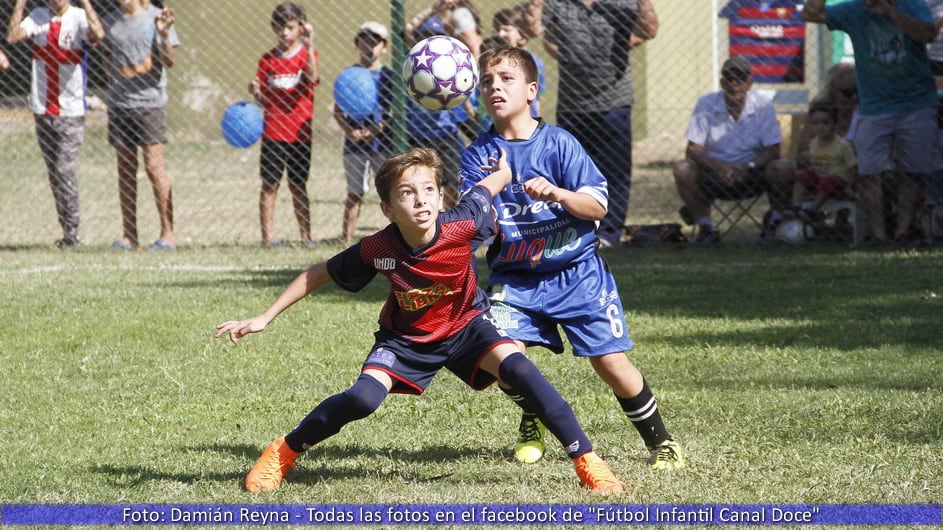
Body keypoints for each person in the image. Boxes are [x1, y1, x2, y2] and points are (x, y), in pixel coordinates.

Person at [214, 148, 624, 495]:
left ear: (441, 197)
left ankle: (585, 458)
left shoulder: (462, 223)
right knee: (363, 399)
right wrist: (264, 317)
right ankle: (285, 450)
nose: (422, 200)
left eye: (429, 190)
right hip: (404, 341)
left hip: (467, 327)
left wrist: (503, 171)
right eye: (407, 193)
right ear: (388, 208)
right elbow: (316, 273)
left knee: (519, 368)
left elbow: (488, 188)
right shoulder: (379, 247)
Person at [459, 46, 684, 470]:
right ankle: (534, 414)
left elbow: (598, 208)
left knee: (611, 363)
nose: (495, 87)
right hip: (516, 277)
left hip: (578, 274)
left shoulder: (559, 144)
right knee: (501, 360)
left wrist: (558, 194)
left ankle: (662, 443)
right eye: (487, 81)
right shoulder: (477, 155)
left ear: (531, 90)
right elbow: (474, 220)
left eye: (506, 79)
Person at [802, 0, 943, 243]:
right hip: (875, 106)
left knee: (913, 171)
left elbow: (928, 34)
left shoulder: (913, 5)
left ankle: (903, 231)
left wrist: (890, 12)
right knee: (868, 171)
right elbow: (810, 14)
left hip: (916, 102)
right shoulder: (853, 9)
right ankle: (878, 234)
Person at [537, 0, 658, 247]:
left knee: (614, 172)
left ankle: (609, 233)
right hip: (573, 103)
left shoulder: (621, 4)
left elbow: (648, 30)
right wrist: (570, 57)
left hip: (614, 102)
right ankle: (573, 231)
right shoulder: (559, 4)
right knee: (568, 172)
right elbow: (544, 34)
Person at [5, 0, 104, 249]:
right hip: (42, 107)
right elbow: (13, 37)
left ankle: (73, 229)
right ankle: (67, 230)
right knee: (54, 173)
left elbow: (98, 34)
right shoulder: (39, 17)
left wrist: (87, 4)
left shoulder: (79, 16)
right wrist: (20, 5)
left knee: (64, 169)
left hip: (70, 110)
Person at [671, 57, 795, 245]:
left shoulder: (763, 105)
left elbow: (773, 150)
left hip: (753, 174)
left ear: (749, 83)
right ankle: (706, 228)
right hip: (713, 175)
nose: (734, 84)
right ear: (722, 83)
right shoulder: (706, 104)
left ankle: (775, 223)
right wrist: (719, 167)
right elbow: (693, 150)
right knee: (682, 168)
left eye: (740, 79)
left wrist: (747, 167)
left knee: (782, 166)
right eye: (729, 79)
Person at [103, 0, 179, 251]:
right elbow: (106, 59)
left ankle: (167, 235)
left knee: (154, 166)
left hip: (150, 104)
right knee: (125, 169)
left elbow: (169, 61)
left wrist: (164, 35)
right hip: (119, 105)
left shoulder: (158, 17)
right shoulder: (110, 21)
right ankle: (129, 236)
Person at [250, 2, 320, 248]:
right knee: (270, 184)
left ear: (301, 27)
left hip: (300, 133)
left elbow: (312, 77)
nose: (285, 33)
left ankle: (306, 236)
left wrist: (310, 45)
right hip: (273, 131)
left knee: (298, 185)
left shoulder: (307, 55)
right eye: (280, 27)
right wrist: (255, 91)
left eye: (290, 27)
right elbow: (261, 96)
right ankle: (268, 238)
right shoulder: (267, 60)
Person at [334, 21, 393, 246]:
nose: (369, 47)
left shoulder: (388, 76)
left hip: (382, 143)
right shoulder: (349, 76)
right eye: (364, 41)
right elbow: (338, 110)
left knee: (389, 192)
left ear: (384, 47)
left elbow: (395, 112)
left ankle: (396, 235)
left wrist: (377, 129)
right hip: (354, 144)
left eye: (375, 42)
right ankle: (346, 237)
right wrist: (350, 131)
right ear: (357, 44)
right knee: (355, 192)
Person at [403, 17, 467, 209]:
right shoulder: (413, 62)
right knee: (419, 185)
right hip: (418, 136)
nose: (429, 40)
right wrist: (435, 10)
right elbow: (407, 29)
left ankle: (446, 219)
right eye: (424, 36)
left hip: (445, 134)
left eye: (434, 36)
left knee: (453, 185)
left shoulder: (449, 64)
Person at [789, 103, 858, 224]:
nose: (820, 127)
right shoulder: (814, 143)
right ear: (810, 126)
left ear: (834, 124)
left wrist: (849, 186)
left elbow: (852, 167)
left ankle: (813, 210)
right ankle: (795, 206)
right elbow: (815, 163)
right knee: (801, 175)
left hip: (838, 182)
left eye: (825, 123)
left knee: (828, 180)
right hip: (820, 177)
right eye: (816, 123)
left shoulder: (843, 145)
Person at [492, 5, 545, 118]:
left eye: (506, 30)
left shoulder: (534, 62)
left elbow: (537, 96)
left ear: (521, 33)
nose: (500, 34)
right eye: (497, 30)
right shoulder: (492, 61)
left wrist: (537, 116)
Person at [405, 0, 482, 57]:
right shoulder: (437, 12)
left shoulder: (460, 14)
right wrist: (433, 9)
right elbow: (409, 28)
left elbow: (475, 50)